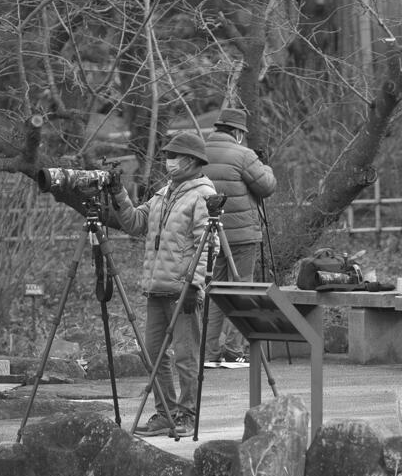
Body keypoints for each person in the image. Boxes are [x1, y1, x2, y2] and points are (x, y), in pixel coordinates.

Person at [110, 131, 218, 437]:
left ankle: (187, 415)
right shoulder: (163, 194)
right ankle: (166, 412)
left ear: (193, 161)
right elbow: (134, 223)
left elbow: (209, 245)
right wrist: (118, 192)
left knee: (186, 357)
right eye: (168, 156)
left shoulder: (203, 195)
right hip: (156, 288)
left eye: (175, 157)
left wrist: (195, 285)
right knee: (154, 354)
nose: (169, 161)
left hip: (182, 291)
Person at [201, 107, 277, 369]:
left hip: (210, 234)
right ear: (237, 132)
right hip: (242, 234)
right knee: (242, 288)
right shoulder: (244, 155)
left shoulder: (199, 152)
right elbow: (266, 186)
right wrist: (264, 165)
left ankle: (209, 352)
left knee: (217, 290)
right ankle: (235, 350)